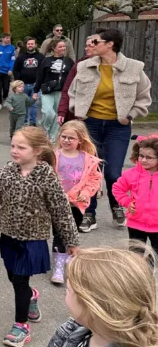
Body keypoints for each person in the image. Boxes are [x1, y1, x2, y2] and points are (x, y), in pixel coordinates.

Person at [0, 127, 80, 347]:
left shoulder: (47, 176)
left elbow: (61, 211)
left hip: (33, 239)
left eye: (21, 147)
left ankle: (21, 326)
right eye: (13, 146)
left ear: (37, 150)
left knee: (20, 280)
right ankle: (32, 295)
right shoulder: (6, 173)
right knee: (14, 278)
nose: (14, 151)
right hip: (8, 236)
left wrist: (71, 241)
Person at [69, 27, 152, 233]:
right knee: (90, 171)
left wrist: (130, 116)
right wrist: (77, 111)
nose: (90, 45)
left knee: (114, 172)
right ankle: (89, 214)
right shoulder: (84, 67)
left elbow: (144, 97)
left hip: (118, 126)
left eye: (95, 42)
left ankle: (117, 205)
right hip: (91, 125)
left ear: (110, 44)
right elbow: (73, 92)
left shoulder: (133, 67)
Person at [51, 121, 101, 284]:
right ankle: (59, 264)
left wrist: (86, 192)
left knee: (72, 232)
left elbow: (94, 179)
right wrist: (56, 192)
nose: (66, 140)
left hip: (77, 204)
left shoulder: (88, 159)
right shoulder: (53, 156)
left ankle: (69, 256)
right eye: (63, 136)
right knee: (59, 233)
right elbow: (45, 177)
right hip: (58, 203)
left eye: (71, 138)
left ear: (80, 139)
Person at [113, 136, 158, 250]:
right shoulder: (130, 174)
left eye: (149, 157)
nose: (143, 160)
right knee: (136, 257)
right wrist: (128, 203)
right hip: (135, 223)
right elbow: (118, 189)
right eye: (141, 156)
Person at [34, 39, 74, 142]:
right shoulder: (46, 61)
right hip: (48, 91)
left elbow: (73, 77)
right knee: (48, 112)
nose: (63, 49)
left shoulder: (69, 61)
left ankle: (52, 136)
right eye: (60, 47)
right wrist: (35, 91)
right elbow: (40, 76)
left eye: (64, 47)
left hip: (62, 92)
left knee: (58, 115)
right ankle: (45, 129)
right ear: (54, 48)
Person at [57, 36, 96, 126]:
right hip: (79, 113)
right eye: (86, 46)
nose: (86, 48)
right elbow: (67, 89)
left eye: (90, 46)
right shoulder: (79, 65)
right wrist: (62, 111)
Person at [12, 37, 44, 126]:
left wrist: (40, 82)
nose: (30, 45)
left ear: (35, 45)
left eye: (32, 44)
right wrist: (18, 81)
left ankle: (33, 122)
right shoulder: (21, 57)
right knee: (24, 104)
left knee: (35, 104)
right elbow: (15, 70)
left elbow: (43, 70)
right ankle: (24, 122)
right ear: (26, 45)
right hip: (23, 85)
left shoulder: (41, 57)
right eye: (28, 44)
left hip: (36, 85)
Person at [0, 33, 15, 110]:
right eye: (7, 38)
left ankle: (5, 97)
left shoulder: (12, 48)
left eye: (9, 38)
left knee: (6, 88)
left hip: (7, 71)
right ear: (3, 39)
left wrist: (10, 69)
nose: (8, 40)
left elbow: (12, 60)